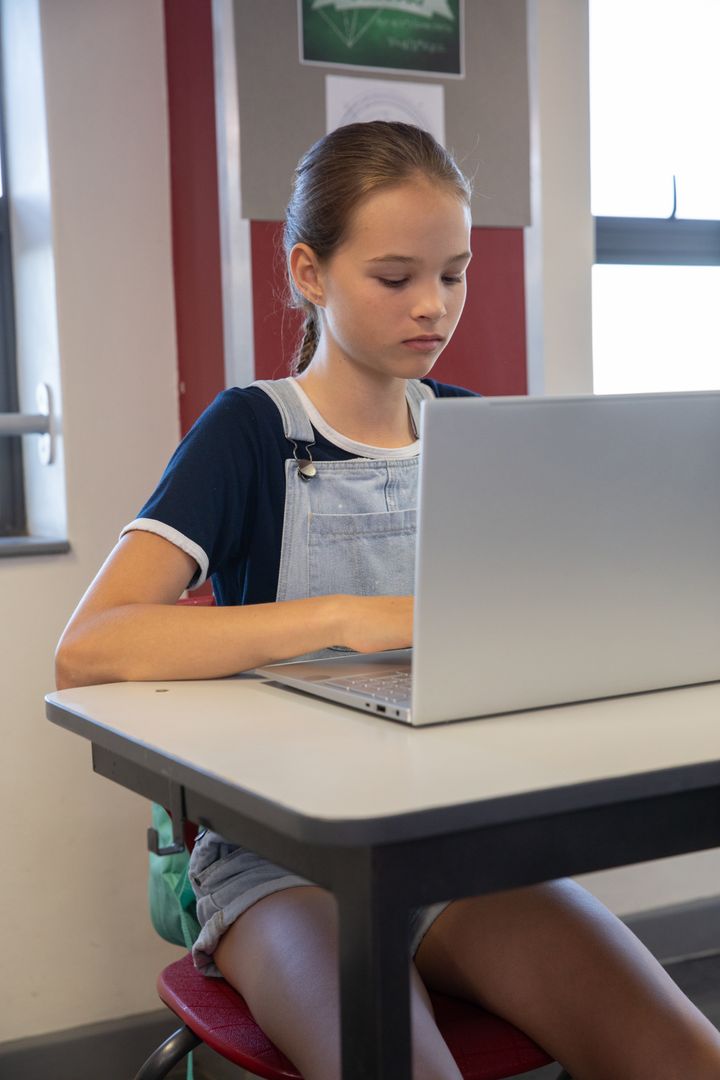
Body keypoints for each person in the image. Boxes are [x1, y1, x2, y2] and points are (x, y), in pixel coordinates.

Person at [55, 121, 720, 1080]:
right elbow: (91, 646)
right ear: (311, 273)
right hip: (284, 871)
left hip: (458, 853)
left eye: (454, 274)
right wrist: (341, 617)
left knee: (684, 1057)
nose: (433, 306)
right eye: (396, 276)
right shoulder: (249, 432)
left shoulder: (473, 431)